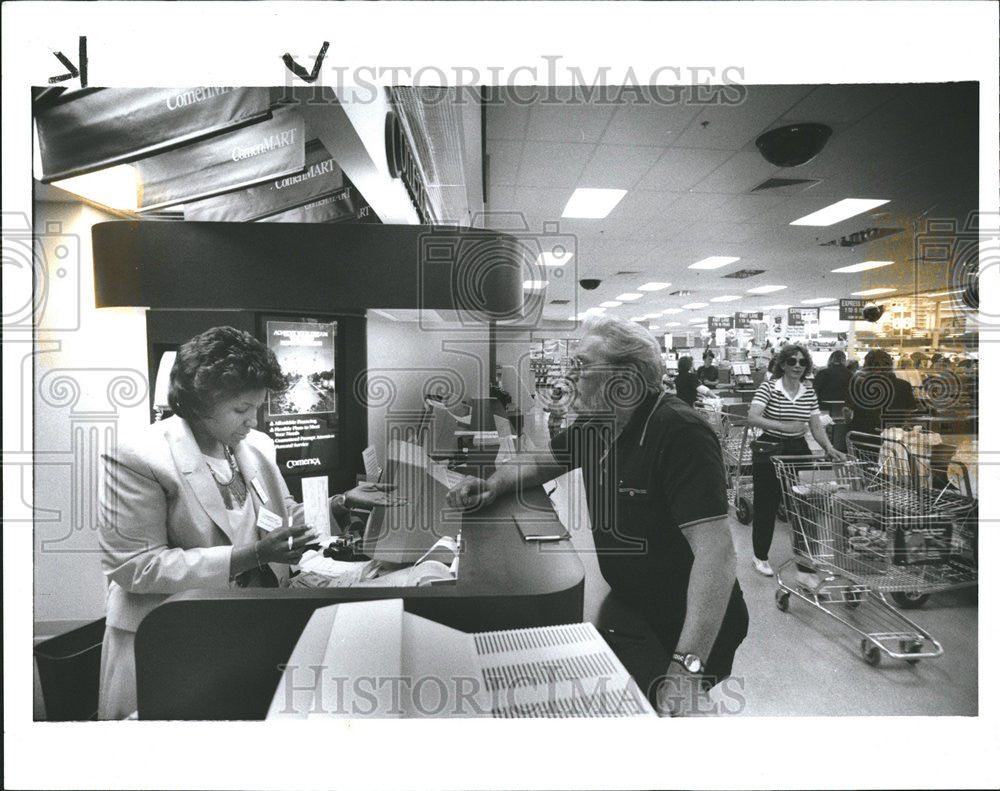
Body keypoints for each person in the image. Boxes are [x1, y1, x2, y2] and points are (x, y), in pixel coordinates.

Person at [447, 316, 749, 716]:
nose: (570, 377)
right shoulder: (596, 426)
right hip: (634, 606)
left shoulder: (680, 433)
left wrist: (687, 668)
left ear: (626, 377)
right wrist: (495, 484)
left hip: (684, 625)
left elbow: (716, 555)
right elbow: (540, 463)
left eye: (582, 366)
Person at [97, 326, 329, 719]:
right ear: (200, 401)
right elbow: (135, 566)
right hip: (165, 637)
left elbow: (282, 512)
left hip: (236, 628)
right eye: (241, 410)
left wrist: (336, 507)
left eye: (256, 407)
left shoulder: (252, 449)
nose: (252, 421)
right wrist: (251, 555)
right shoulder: (139, 457)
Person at [747, 344, 847, 579]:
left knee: (805, 507)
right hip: (770, 449)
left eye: (802, 362)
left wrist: (829, 448)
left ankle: (805, 562)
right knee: (766, 505)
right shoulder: (769, 387)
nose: (797, 366)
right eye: (792, 361)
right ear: (782, 364)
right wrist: (785, 426)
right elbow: (753, 417)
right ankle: (760, 556)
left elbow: (814, 423)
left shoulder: (808, 392)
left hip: (798, 450)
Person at [844, 348, 918, 438]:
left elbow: (847, 411)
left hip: (862, 438)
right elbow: (910, 411)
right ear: (890, 365)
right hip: (893, 439)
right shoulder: (904, 386)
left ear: (866, 366)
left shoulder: (857, 385)